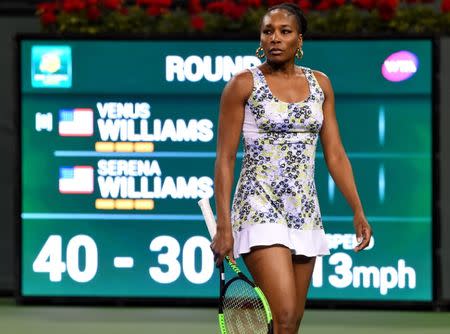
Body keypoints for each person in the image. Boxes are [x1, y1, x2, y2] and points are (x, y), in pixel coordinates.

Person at [211, 3, 372, 334]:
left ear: (300, 39)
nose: (275, 38)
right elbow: (225, 158)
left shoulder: (320, 84)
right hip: (258, 205)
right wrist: (224, 225)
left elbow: (336, 154)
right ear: (260, 39)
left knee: (291, 324)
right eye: (268, 31)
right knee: (282, 313)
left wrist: (358, 210)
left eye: (285, 31)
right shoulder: (243, 84)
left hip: (303, 210)